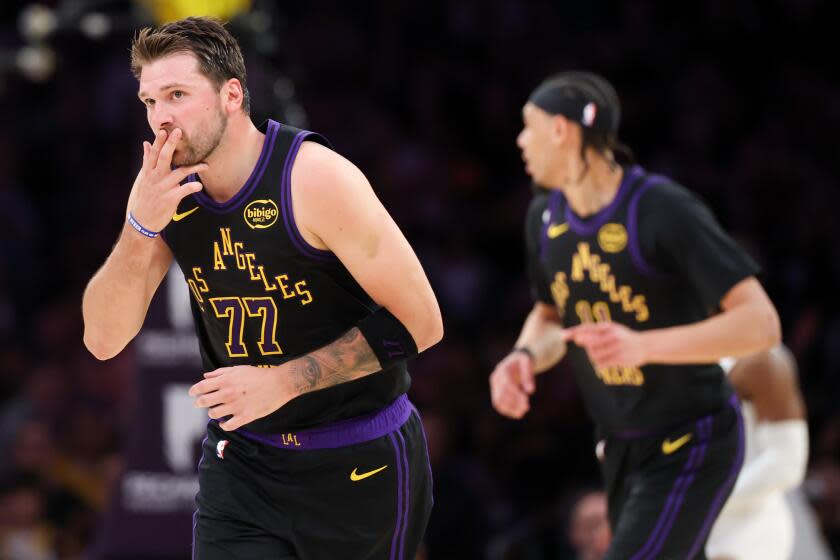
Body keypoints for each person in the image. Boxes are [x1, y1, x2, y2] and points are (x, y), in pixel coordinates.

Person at [81, 16, 442, 559]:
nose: (161, 119)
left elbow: (422, 323)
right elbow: (102, 339)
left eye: (177, 95)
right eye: (150, 101)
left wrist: (284, 381)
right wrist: (140, 227)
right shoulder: (163, 189)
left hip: (358, 458)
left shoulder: (316, 178)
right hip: (243, 465)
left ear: (232, 94)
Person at [489, 71, 781, 559]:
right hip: (621, 445)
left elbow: (761, 324)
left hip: (692, 440)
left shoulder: (661, 209)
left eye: (528, 126)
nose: (520, 141)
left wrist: (645, 345)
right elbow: (551, 316)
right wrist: (523, 356)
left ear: (561, 130)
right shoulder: (543, 218)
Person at [706, 346, 809, 560]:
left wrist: (699, 499)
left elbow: (786, 465)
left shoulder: (762, 361)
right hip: (683, 524)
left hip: (743, 533)